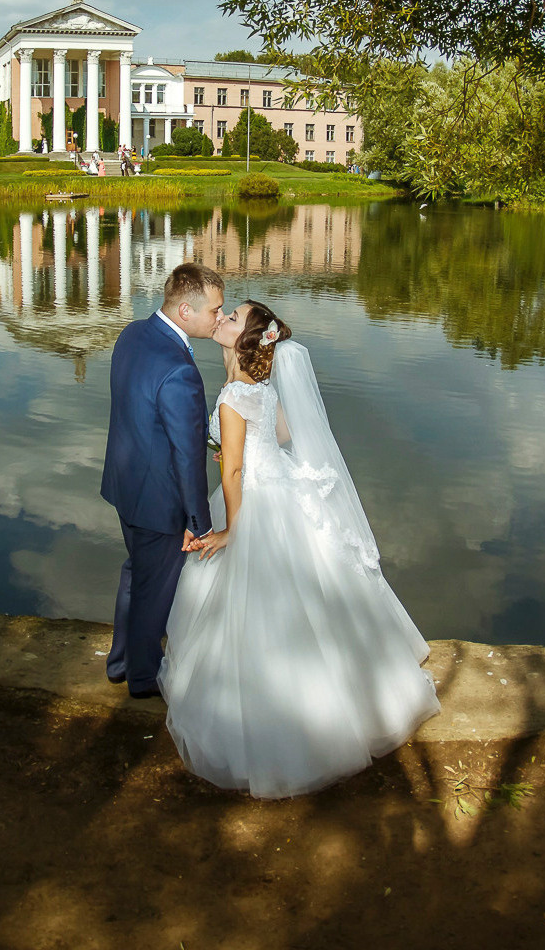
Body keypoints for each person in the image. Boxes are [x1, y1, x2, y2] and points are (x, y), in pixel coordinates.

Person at [158, 300, 440, 796]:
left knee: (252, 610)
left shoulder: (231, 397)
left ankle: (282, 729)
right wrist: (248, 448)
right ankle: (357, 697)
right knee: (320, 591)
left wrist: (232, 529)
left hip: (252, 502)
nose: (221, 319)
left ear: (247, 339)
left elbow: (233, 472)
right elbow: (285, 434)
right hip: (284, 491)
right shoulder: (262, 391)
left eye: (232, 317)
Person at [101, 263, 225, 698]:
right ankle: (142, 679)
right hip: (158, 500)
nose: (219, 318)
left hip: (125, 484)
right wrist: (201, 521)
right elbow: (188, 456)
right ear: (187, 310)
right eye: (215, 310)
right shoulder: (180, 369)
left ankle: (120, 662)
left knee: (137, 575)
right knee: (155, 593)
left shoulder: (132, 333)